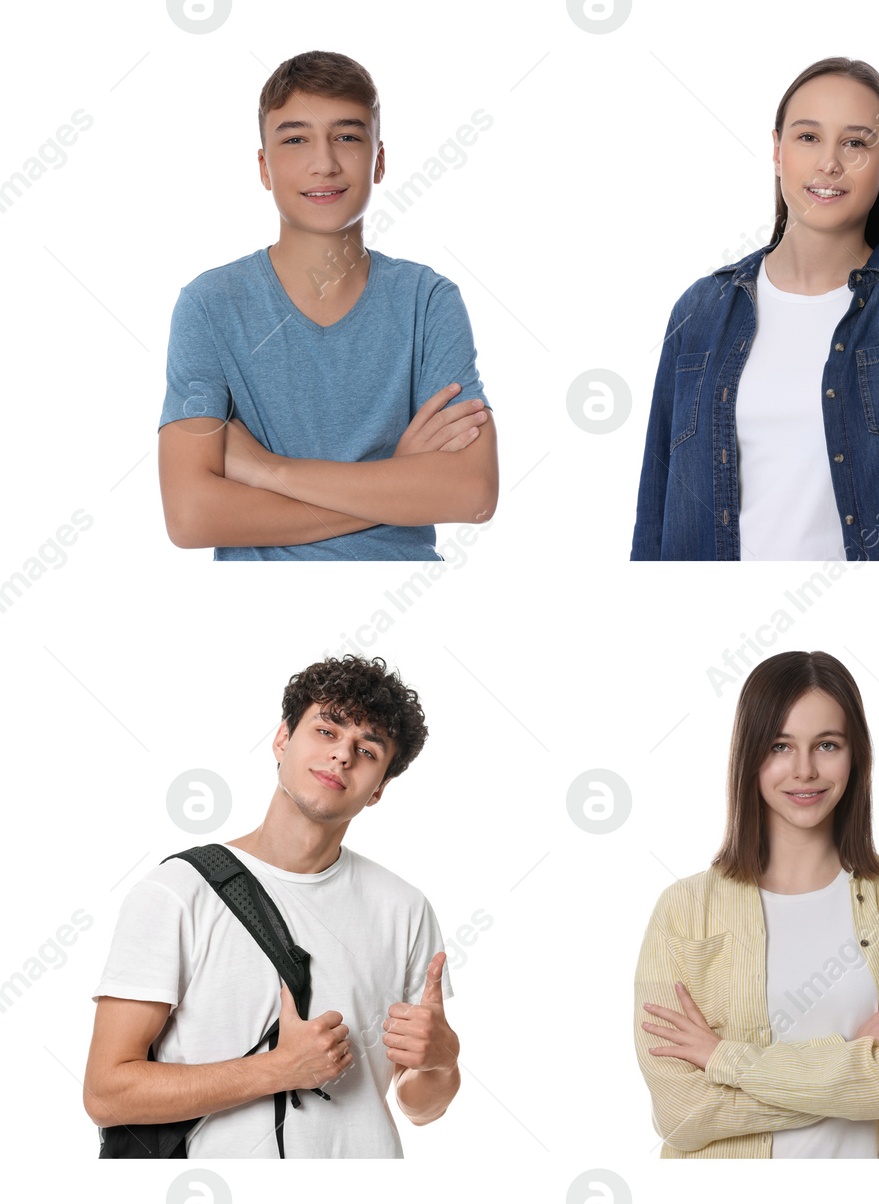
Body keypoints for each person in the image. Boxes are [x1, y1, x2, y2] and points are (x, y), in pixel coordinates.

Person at [630, 57, 879, 561]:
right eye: (808, 137)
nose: (829, 163)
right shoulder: (702, 309)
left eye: (856, 143)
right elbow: (656, 504)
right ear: (777, 150)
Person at [84, 655, 460, 1156]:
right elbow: (106, 1093)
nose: (342, 756)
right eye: (326, 731)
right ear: (283, 739)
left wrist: (442, 1062)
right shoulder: (178, 892)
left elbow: (419, 1106)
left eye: (366, 750)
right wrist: (279, 1070)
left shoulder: (405, 908)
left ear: (379, 790)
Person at [157, 51, 497, 561]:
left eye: (347, 136)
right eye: (295, 139)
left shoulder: (427, 301)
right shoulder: (211, 306)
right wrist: (397, 482)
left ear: (379, 159)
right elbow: (190, 515)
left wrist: (270, 470)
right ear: (264, 167)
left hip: (408, 600)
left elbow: (472, 494)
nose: (325, 162)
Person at [634, 650, 879, 1157]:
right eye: (780, 746)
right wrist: (858, 1060)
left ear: (857, 756)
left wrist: (726, 1060)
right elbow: (682, 1116)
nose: (804, 770)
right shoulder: (683, 911)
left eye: (827, 745)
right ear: (750, 757)